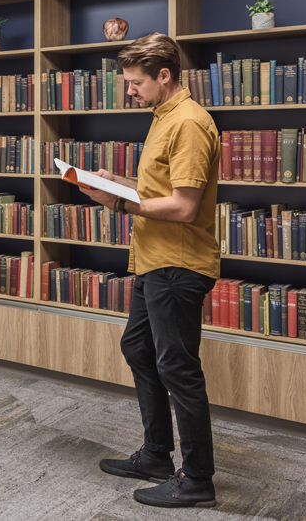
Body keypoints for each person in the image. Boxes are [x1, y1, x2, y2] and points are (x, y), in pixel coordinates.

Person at [79, 33, 221, 508]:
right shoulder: (162, 118)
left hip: (178, 263)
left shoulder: (190, 123)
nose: (130, 91)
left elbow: (183, 207)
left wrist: (122, 203)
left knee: (179, 368)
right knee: (138, 347)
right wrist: (119, 184)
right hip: (153, 259)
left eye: (136, 83)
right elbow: (160, 188)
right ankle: (157, 455)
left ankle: (198, 478)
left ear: (165, 76)